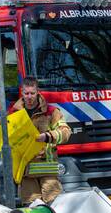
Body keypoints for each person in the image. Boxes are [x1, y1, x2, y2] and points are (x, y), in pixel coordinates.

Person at [8, 76, 72, 205]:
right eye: (26, 93)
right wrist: (1, 124)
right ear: (22, 92)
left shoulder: (51, 112)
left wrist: (47, 136)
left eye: (32, 93)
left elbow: (66, 132)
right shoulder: (13, 114)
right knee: (32, 209)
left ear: (38, 92)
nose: (29, 97)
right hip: (26, 171)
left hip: (48, 171)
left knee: (54, 206)